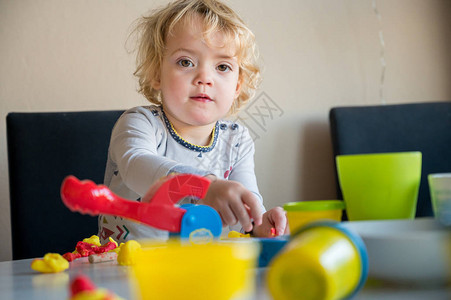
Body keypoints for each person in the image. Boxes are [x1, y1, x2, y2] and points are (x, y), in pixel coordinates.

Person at [98, 0, 288, 244]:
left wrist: (259, 224)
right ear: (157, 73)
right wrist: (202, 185)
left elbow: (244, 204)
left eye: (222, 66)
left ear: (237, 85)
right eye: (186, 62)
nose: (204, 78)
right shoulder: (139, 123)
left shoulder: (237, 139)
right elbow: (137, 166)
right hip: (126, 269)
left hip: (203, 266)